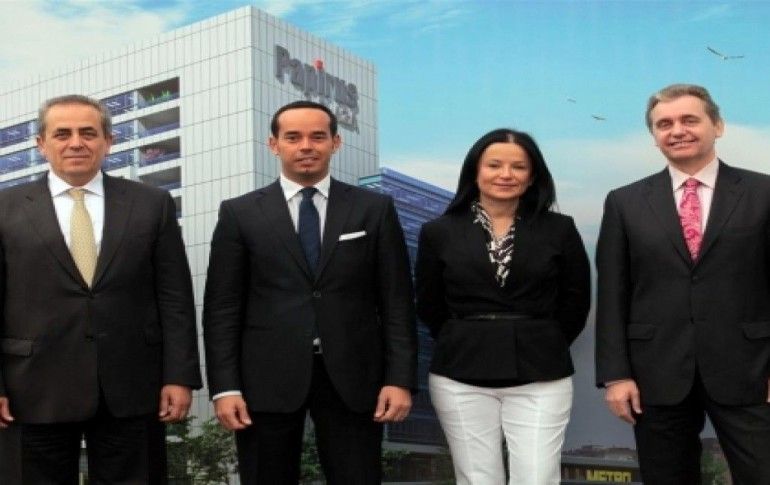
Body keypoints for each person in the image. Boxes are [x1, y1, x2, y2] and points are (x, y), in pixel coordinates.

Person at [203, 100, 417, 484]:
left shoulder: (373, 209)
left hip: (354, 376)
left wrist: (399, 378)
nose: (306, 146)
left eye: (318, 136)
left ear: (335, 142)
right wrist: (225, 387)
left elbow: (397, 302)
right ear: (274, 144)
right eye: (293, 137)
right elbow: (222, 308)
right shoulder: (240, 213)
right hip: (264, 379)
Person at [0, 94, 201, 483]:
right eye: (62, 134)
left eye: (88, 133)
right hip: (31, 389)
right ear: (41, 143)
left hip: (131, 386)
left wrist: (179, 376)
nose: (76, 143)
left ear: (108, 141)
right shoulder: (4, 208)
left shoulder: (152, 204)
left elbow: (174, 297)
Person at [595, 83, 770, 484]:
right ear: (654, 135)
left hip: (751, 370)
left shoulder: (764, 193)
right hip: (656, 375)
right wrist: (616, 375)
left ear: (717, 126)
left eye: (689, 120)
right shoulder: (624, 202)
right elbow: (613, 294)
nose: (677, 131)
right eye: (664, 124)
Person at [416, 128, 590, 485]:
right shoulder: (439, 231)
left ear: (533, 176)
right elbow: (429, 303)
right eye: (494, 165)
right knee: (477, 477)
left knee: (538, 477)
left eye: (518, 167)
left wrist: (544, 338)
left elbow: (576, 301)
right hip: (460, 371)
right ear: (475, 171)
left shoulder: (559, 228)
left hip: (541, 370)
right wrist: (462, 335)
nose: (506, 175)